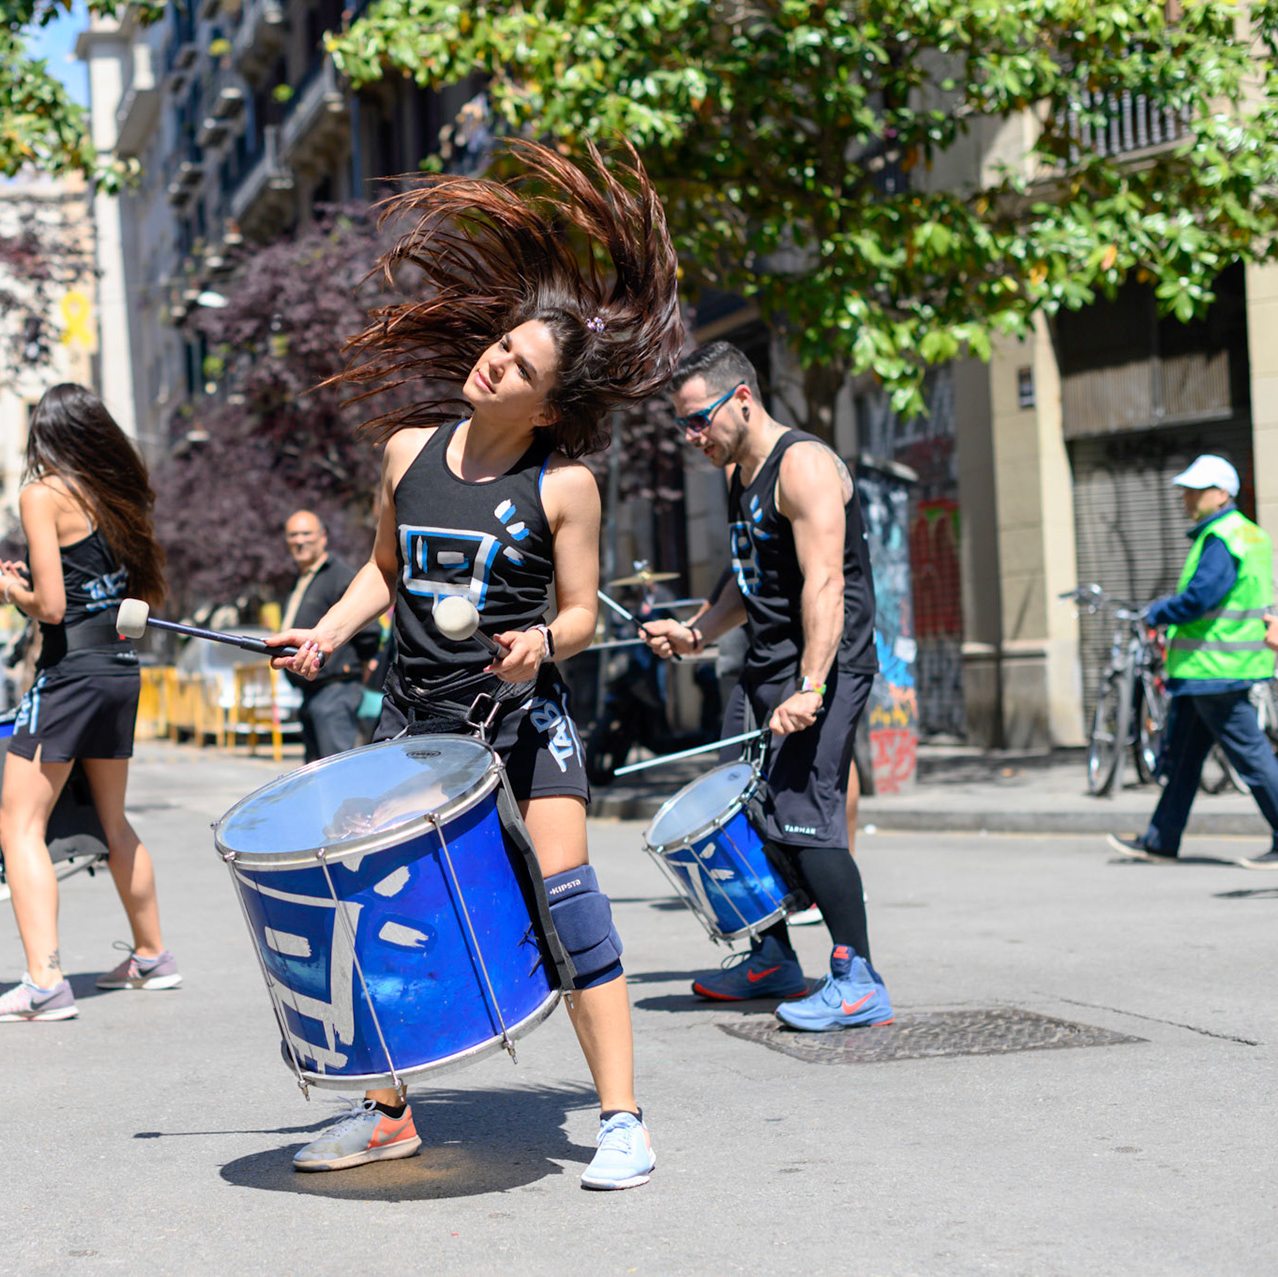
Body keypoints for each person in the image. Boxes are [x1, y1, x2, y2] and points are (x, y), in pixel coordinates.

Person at [267, 141, 684, 1190]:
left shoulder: (564, 485)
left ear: (545, 406)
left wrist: (544, 639)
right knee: (377, 907)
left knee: (570, 893)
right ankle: (388, 1111)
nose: (495, 361)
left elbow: (586, 612)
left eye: (521, 367)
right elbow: (379, 571)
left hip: (517, 722)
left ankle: (622, 1117)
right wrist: (326, 631)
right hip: (412, 725)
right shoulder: (408, 450)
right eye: (501, 344)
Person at [641, 341, 889, 1031]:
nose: (692, 436)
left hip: (822, 665)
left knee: (804, 819)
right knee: (738, 816)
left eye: (699, 420)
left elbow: (826, 581)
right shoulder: (739, 475)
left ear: (742, 400)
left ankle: (859, 977)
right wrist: (695, 632)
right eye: (684, 424)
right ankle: (772, 954)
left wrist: (810, 685)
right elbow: (747, 580)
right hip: (766, 665)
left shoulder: (803, 466)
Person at [0, 384, 179, 1022]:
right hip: (119, 665)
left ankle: (44, 982)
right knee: (113, 823)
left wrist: (12, 591)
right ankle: (151, 955)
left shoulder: (42, 494)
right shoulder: (117, 498)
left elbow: (55, 609)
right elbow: (120, 594)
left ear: (47, 437)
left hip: (69, 674)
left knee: (19, 826)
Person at [1107, 455, 1278, 870]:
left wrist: (1158, 612)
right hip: (1208, 671)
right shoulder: (1248, 534)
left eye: (1196, 490)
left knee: (1252, 759)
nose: (1186, 497)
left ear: (1222, 494)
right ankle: (1160, 840)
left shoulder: (1221, 537)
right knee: (1182, 758)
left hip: (1215, 671)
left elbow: (1201, 598)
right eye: (1186, 489)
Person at [281, 510, 380, 761]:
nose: (300, 540)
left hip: (336, 692)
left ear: (323, 537)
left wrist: (359, 668)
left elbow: (370, 631)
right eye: (293, 535)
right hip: (311, 693)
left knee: (338, 773)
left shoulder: (339, 576)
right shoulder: (302, 579)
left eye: (306, 533)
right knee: (316, 775)